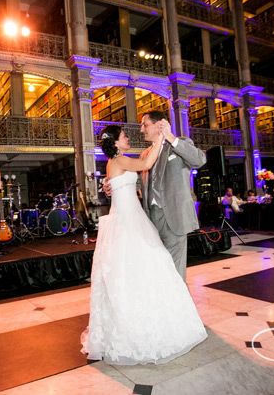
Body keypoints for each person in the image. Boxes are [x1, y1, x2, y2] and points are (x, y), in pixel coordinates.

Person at [81, 123, 207, 365]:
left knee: (146, 271)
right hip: (129, 223)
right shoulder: (121, 160)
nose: (130, 136)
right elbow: (147, 166)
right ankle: (149, 325)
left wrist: (165, 138)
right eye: (124, 135)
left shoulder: (116, 162)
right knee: (145, 270)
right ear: (116, 142)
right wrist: (161, 136)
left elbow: (131, 182)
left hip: (134, 218)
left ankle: (163, 318)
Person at [105, 110, 207, 279]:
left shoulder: (179, 144)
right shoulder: (145, 154)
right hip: (150, 219)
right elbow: (139, 182)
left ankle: (178, 303)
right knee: (158, 268)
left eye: (144, 125)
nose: (141, 130)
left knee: (174, 270)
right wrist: (114, 185)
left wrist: (171, 138)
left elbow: (199, 161)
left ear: (159, 124)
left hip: (175, 216)